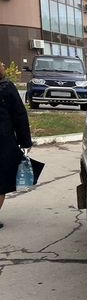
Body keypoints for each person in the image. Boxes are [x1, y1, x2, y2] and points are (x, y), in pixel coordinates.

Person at [0, 62, 32, 229]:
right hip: (3, 141)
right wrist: (25, 141)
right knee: (1, 181)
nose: (4, 64)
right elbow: (19, 115)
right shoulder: (6, 87)